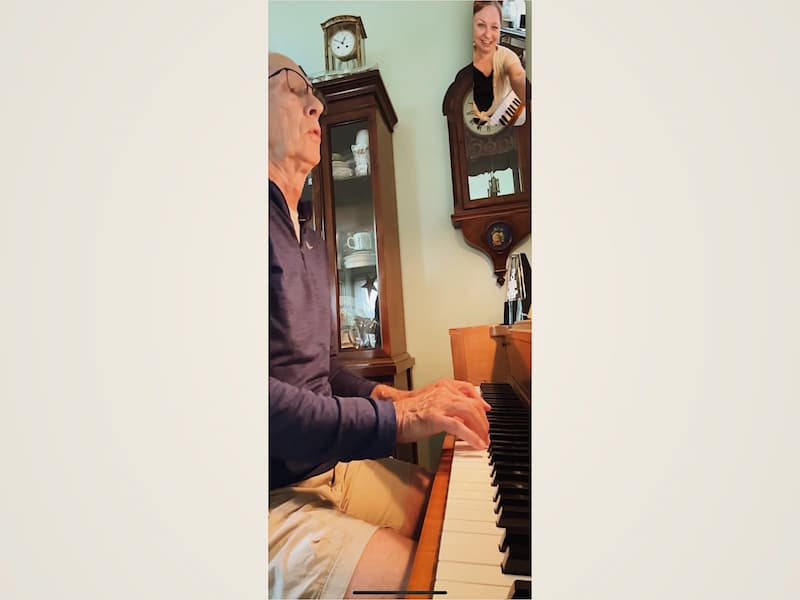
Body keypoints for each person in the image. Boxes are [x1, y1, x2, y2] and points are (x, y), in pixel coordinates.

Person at [268, 52, 492, 599]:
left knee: (446, 510)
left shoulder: (312, 238)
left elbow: (325, 371)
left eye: (313, 93)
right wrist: (395, 418)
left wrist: (395, 395)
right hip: (266, 493)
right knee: (430, 579)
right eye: (295, 88)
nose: (315, 103)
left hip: (325, 467)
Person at [472, 1, 528, 126]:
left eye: (494, 27)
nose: (488, 35)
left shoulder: (507, 55)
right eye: (481, 25)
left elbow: (518, 75)